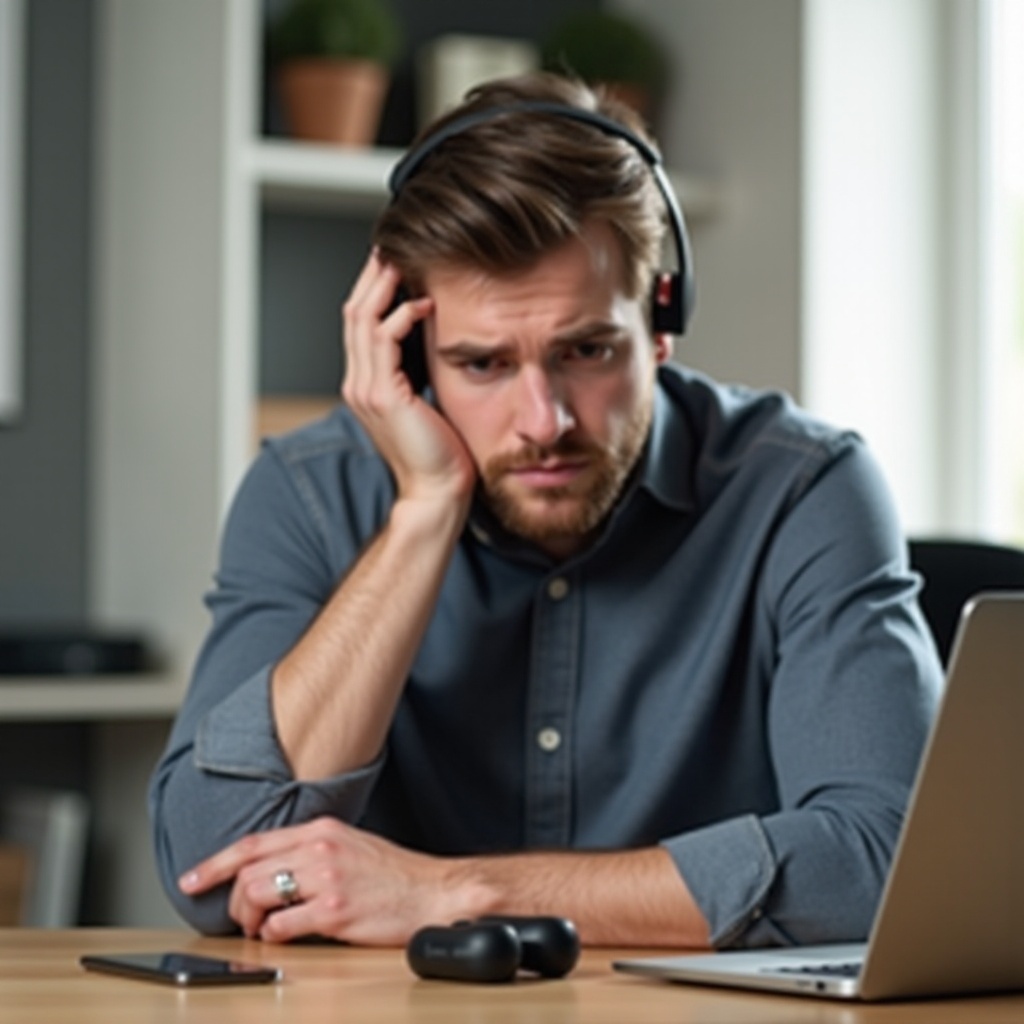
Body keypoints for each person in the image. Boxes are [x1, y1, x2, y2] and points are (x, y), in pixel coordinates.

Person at [149, 72, 941, 950]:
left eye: (589, 349)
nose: (545, 422)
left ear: (661, 320)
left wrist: (457, 893)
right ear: (411, 355)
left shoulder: (804, 489)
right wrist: (426, 509)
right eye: (483, 364)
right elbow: (213, 866)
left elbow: (889, 864)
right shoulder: (308, 493)